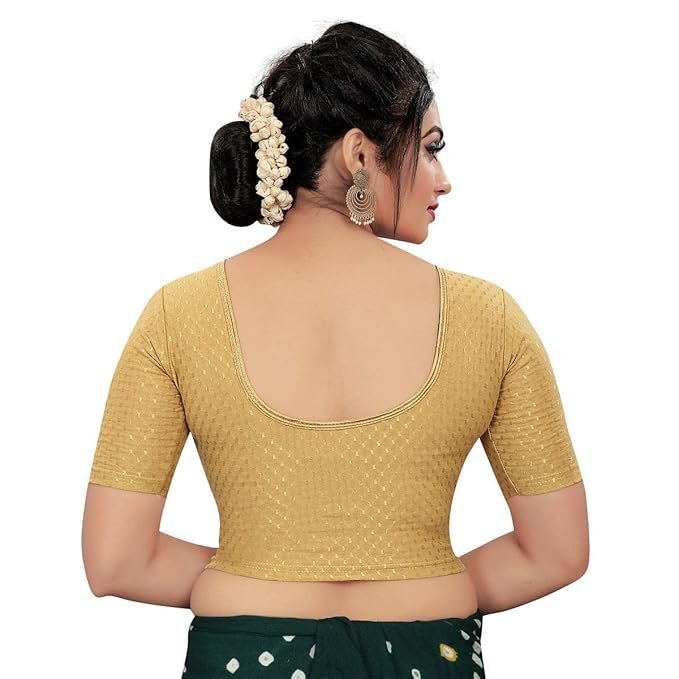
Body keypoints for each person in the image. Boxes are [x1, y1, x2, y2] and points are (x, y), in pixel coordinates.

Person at [82, 20, 589, 678]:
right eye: (429, 149)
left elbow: (116, 560)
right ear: (358, 154)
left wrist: (255, 575)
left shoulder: (177, 316)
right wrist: (419, 581)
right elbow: (556, 552)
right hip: (428, 657)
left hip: (243, 658)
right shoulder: (488, 318)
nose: (442, 180)